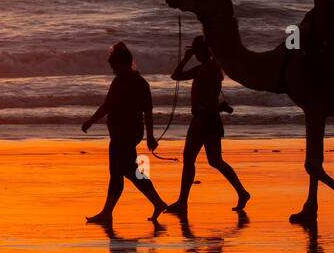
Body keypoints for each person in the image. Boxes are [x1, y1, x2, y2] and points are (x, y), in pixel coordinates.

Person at [82, 42, 168, 223]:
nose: (113, 71)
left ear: (123, 63)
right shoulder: (119, 81)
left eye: (115, 67)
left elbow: (148, 111)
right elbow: (107, 106)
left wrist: (151, 136)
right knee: (126, 172)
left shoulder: (140, 84)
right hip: (120, 133)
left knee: (122, 172)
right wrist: (91, 121)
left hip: (127, 134)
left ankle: (108, 213)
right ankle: (155, 203)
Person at [164, 35, 250, 217]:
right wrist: (186, 57)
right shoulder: (205, 68)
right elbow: (176, 76)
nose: (195, 54)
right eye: (194, 51)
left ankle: (182, 202)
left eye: (196, 51)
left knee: (192, 159)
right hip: (207, 119)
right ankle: (242, 192)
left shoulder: (209, 69)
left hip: (204, 120)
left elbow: (209, 98)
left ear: (205, 51)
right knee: (214, 161)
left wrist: (217, 108)